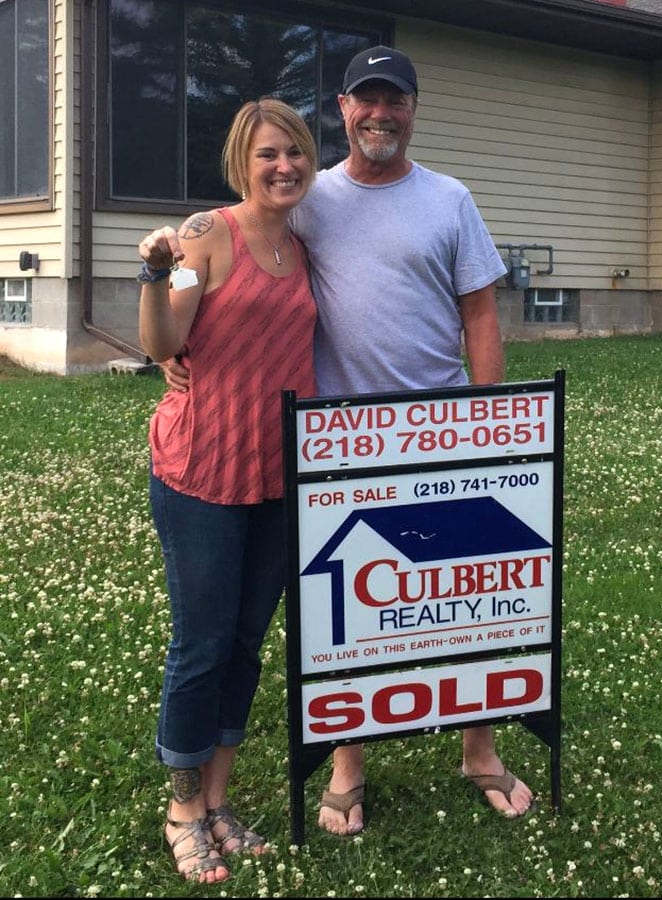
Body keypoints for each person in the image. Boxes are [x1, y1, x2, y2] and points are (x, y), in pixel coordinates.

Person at [161, 46, 535, 838]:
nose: (380, 114)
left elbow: (480, 316)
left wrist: (488, 426)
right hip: (336, 443)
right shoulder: (311, 195)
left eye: (394, 101)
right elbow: (231, 237)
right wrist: (171, 341)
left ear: (412, 109)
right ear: (342, 108)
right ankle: (347, 765)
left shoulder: (450, 199)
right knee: (346, 611)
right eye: (366, 101)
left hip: (437, 430)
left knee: (471, 598)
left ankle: (480, 749)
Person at [137, 98, 318, 882]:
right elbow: (163, 342)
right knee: (202, 643)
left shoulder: (307, 246)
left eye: (297, 153)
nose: (284, 167)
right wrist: (153, 274)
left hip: (277, 473)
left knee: (247, 642)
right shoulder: (206, 234)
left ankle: (218, 800)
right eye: (269, 154)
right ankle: (181, 809)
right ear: (243, 161)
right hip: (202, 467)